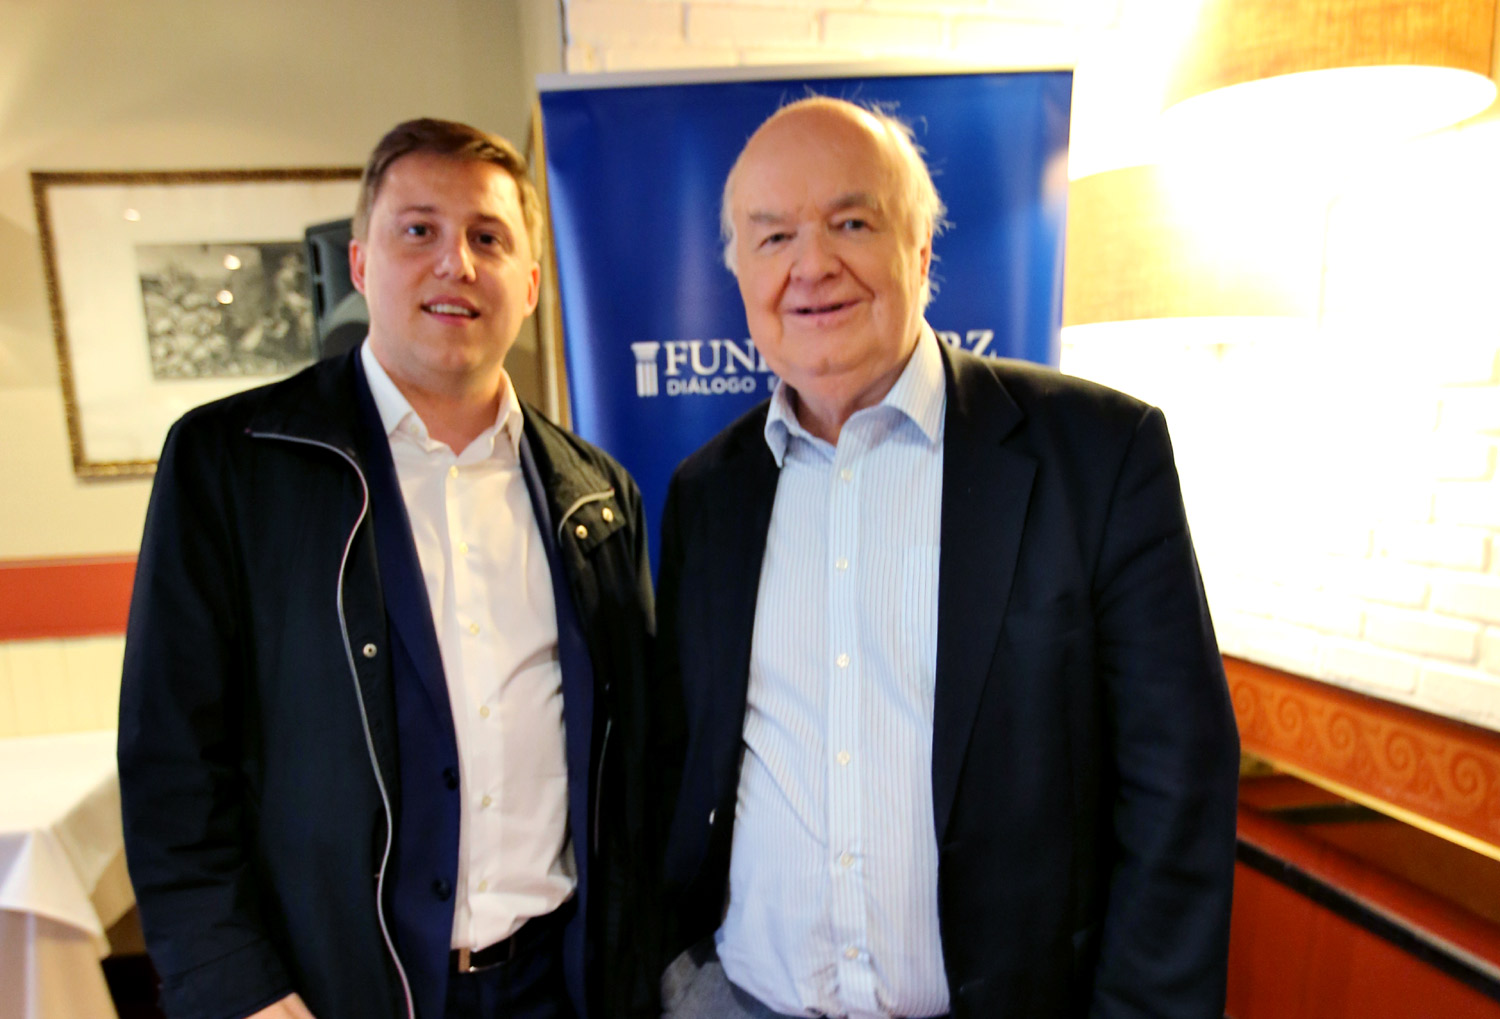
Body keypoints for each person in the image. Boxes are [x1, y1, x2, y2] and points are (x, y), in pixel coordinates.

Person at [654, 97, 1240, 1019]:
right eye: (773, 237)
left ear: (921, 251)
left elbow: (1179, 789)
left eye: (852, 222)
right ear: (742, 277)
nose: (812, 264)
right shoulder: (705, 495)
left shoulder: (1098, 455)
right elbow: (683, 760)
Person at [119, 118, 655, 1019]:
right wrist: (237, 986)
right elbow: (172, 762)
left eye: (488, 237)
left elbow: (634, 769)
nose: (456, 263)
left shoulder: (597, 495)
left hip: (557, 987)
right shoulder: (233, 464)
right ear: (362, 264)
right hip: (328, 992)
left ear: (530, 285)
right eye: (418, 230)